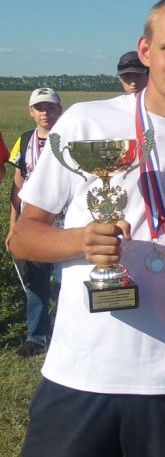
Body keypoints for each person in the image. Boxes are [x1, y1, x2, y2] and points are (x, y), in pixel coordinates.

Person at [9, 0, 165, 457]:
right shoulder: (86, 122)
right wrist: (81, 241)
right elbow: (22, 237)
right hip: (80, 375)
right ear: (145, 50)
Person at [6, 87, 64, 357]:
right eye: (40, 108)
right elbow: (17, 186)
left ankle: (65, 333)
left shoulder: (69, 139)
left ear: (59, 110)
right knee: (36, 282)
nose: (45, 113)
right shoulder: (24, 140)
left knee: (65, 282)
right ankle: (37, 336)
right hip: (33, 224)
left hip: (65, 224)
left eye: (50, 107)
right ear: (30, 112)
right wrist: (13, 227)